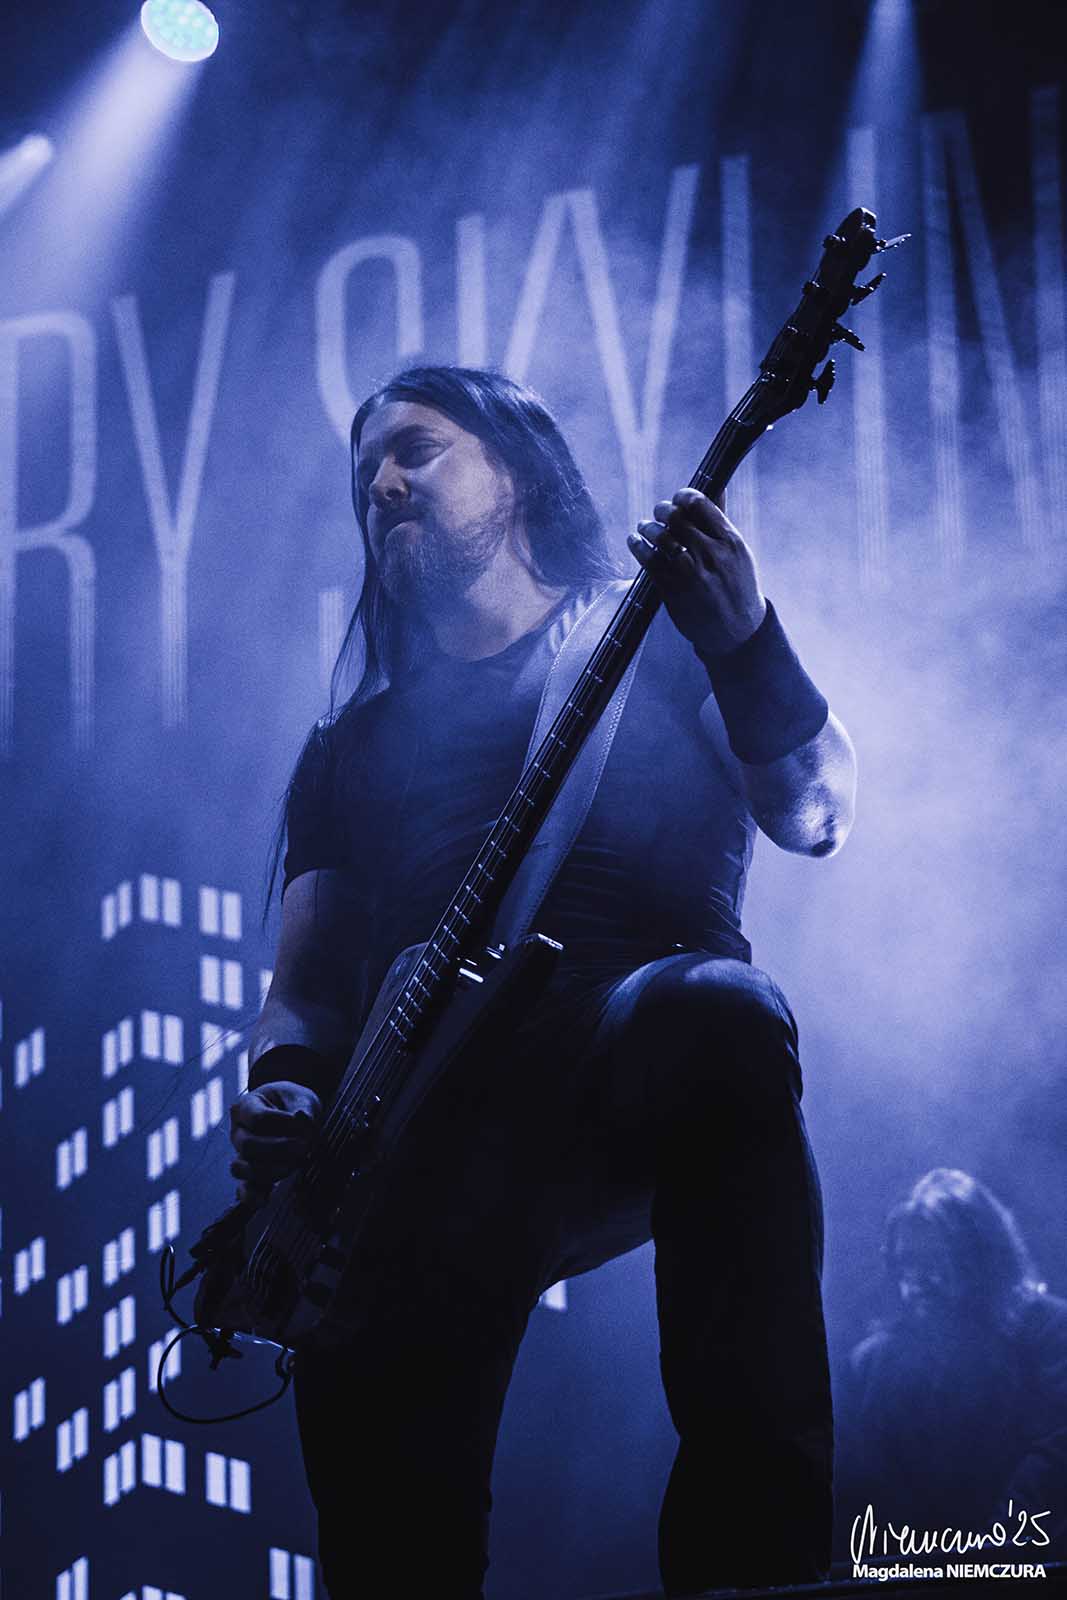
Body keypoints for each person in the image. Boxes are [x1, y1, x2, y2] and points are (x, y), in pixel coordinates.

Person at [228, 365, 857, 1598]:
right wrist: (287, 1088)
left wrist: (745, 638)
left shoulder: (655, 639)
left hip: (615, 1051)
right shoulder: (347, 748)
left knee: (718, 1012)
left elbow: (817, 814)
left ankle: (753, 1567)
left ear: (515, 470)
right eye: (364, 475)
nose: (382, 484)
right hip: (415, 1128)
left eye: (415, 451)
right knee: (386, 1531)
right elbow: (306, 989)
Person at [838, 1168, 1067, 1561]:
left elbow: (1055, 1453)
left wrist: (991, 1550)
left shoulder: (1050, 1331)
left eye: (933, 1260)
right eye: (905, 1262)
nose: (916, 1280)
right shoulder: (872, 1365)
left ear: (980, 1256)